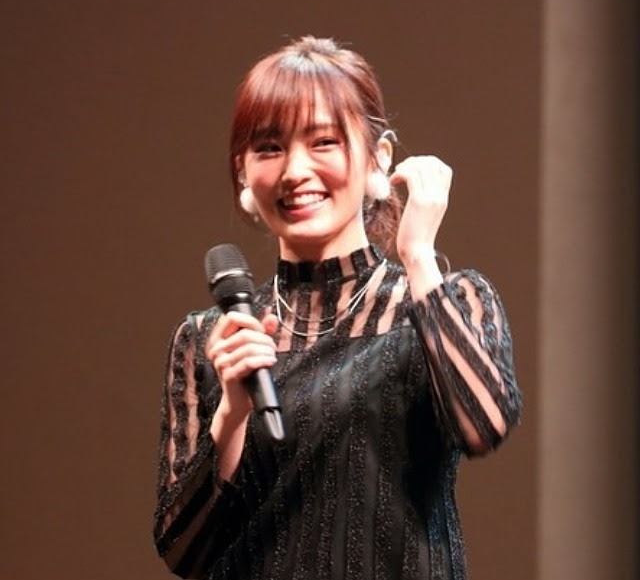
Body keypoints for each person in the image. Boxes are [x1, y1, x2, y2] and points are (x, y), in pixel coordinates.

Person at [153, 35, 522, 580]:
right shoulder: (212, 338)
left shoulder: (444, 299)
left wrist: (419, 256)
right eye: (269, 148)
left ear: (379, 159)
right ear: (243, 173)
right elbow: (183, 552)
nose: (295, 171)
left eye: (323, 142)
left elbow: (483, 427)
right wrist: (230, 414)